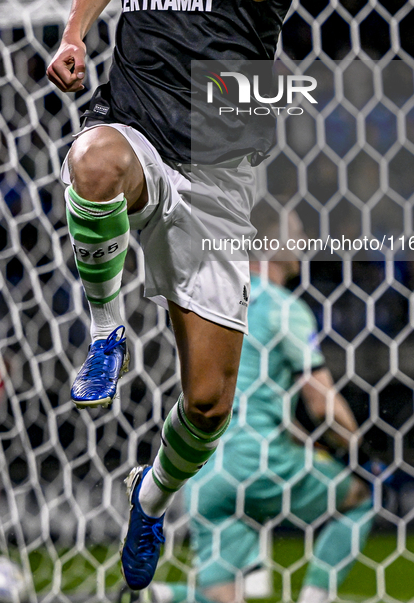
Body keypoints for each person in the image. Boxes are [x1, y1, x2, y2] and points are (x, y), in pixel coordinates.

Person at [46, 0, 307, 591]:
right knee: (93, 163)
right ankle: (103, 330)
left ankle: (150, 498)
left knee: (206, 405)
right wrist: (75, 34)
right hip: (141, 141)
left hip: (221, 173)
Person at [148, 207, 375, 603]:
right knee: (362, 496)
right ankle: (315, 599)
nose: (305, 243)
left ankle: (156, 597)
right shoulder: (284, 306)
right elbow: (321, 402)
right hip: (260, 461)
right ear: (272, 243)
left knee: (222, 601)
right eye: (298, 231)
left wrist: (307, 442)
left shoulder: (214, 302)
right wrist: (360, 450)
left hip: (204, 472)